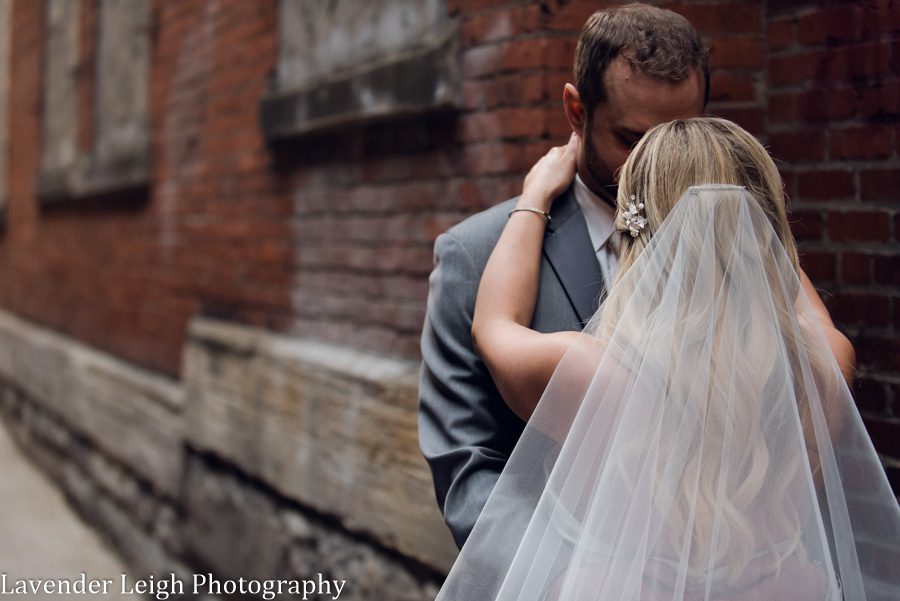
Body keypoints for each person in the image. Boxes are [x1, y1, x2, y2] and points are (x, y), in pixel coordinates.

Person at [434, 117, 900, 601]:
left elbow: (492, 325)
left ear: (637, 228)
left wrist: (534, 198)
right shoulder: (825, 364)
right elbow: (788, 286)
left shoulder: (593, 375)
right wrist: (747, 230)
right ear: (769, 226)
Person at [419, 3, 709, 550]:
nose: (654, 166)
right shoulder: (475, 253)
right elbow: (469, 466)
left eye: (678, 137)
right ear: (577, 111)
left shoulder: (726, 248)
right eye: (632, 139)